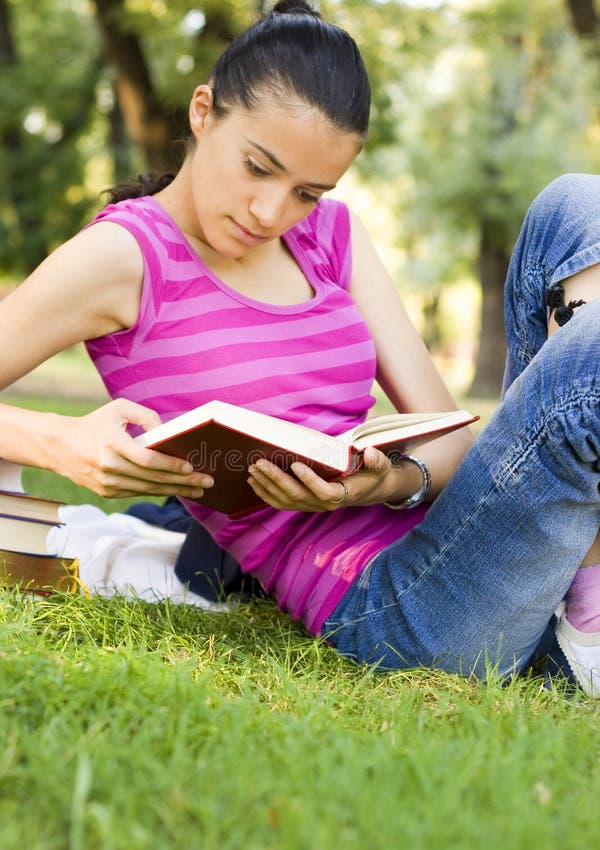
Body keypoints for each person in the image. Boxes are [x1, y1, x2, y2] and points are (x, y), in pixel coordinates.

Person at [0, 1, 598, 693]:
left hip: (465, 533)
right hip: (390, 601)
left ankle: (585, 596)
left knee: (577, 205)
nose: (270, 212)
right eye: (257, 167)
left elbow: (452, 440)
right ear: (203, 112)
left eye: (307, 192)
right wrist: (60, 444)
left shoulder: (331, 237)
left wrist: (390, 481)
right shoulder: (126, 256)